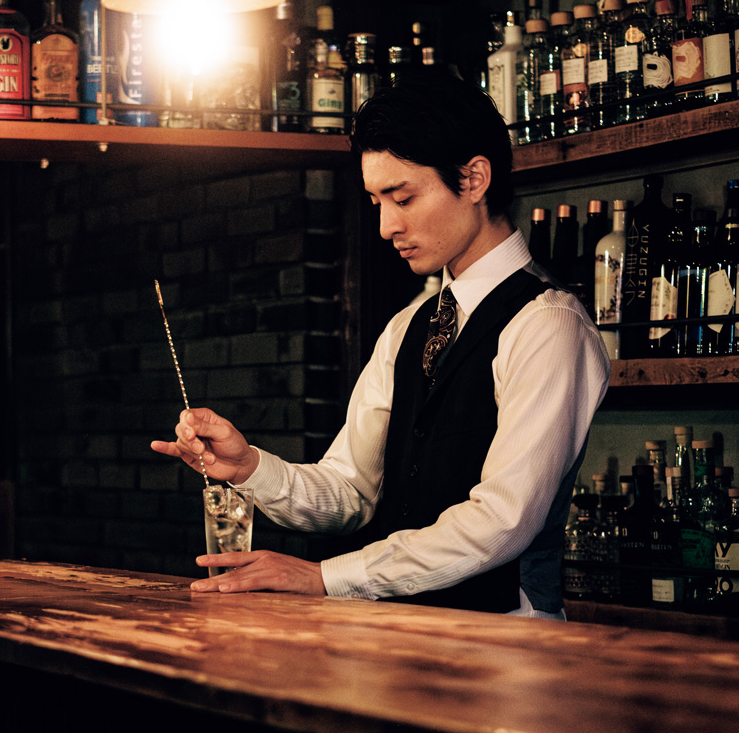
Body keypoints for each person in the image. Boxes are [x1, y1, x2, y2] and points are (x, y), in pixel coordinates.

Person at [150, 72, 610, 617]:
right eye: (376, 203)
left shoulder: (549, 324)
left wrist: (326, 577)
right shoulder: (408, 326)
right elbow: (351, 491)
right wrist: (249, 466)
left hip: (506, 640)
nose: (387, 226)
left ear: (474, 179)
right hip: (400, 632)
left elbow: (502, 520)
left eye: (403, 197)